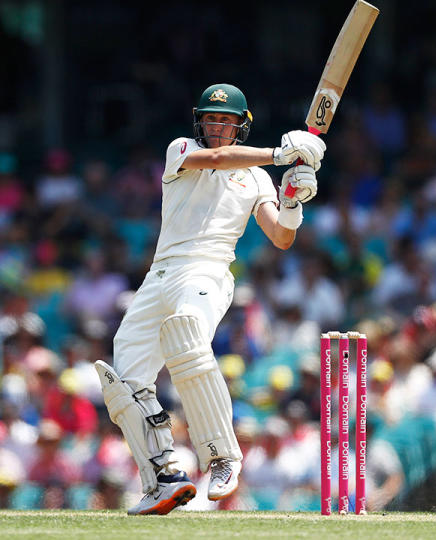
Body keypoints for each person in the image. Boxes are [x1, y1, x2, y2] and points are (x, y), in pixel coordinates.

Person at [95, 83, 326, 515]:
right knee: (124, 380)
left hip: (206, 271)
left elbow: (281, 236)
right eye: (212, 119)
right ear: (200, 122)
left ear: (241, 126)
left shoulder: (256, 177)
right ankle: (164, 476)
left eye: (226, 121)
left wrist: (293, 201)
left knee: (187, 335)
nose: (218, 127)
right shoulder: (181, 150)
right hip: (158, 274)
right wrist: (281, 155)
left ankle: (222, 457)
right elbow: (218, 159)